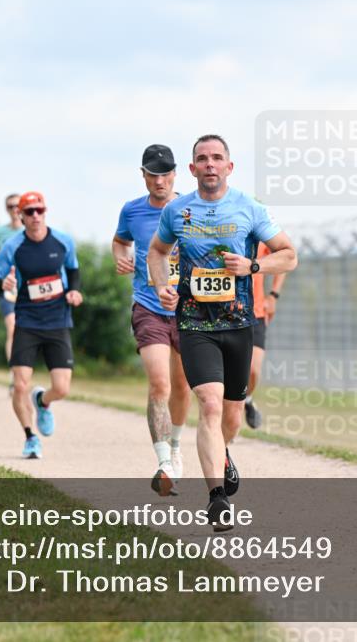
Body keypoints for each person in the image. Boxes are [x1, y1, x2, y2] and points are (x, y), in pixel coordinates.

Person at [148, 134, 297, 531]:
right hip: (195, 323)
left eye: (217, 158)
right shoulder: (177, 211)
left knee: (230, 412)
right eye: (202, 159)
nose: (210, 164)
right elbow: (158, 251)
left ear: (229, 167)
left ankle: (223, 454)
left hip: (239, 324)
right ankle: (217, 498)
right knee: (209, 405)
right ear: (192, 169)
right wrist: (162, 286)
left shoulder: (250, 208)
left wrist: (252, 267)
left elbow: (289, 254)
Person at [113, 144, 191, 496]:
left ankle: (175, 443)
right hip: (148, 306)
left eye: (165, 173)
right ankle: (163, 461)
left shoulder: (191, 209)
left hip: (188, 309)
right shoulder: (132, 211)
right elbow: (119, 241)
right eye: (152, 174)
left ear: (175, 174)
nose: (159, 180)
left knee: (183, 385)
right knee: (160, 384)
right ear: (143, 175)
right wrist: (122, 257)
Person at [0, 192, 82, 459]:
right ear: (20, 215)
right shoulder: (12, 246)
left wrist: (74, 292)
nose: (35, 216)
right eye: (29, 212)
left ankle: (43, 401)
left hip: (57, 320)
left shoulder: (63, 241)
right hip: (27, 320)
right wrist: (2, 284)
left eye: (39, 210)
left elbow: (73, 271)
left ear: (46, 211)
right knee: (20, 385)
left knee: (62, 388)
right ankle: (30, 437)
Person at [245, 241, 288, 428]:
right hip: (225, 315)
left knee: (253, 370)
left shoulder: (260, 233)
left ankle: (247, 400)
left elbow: (284, 259)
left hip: (256, 313)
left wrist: (273, 295)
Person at [0, 193, 24, 393]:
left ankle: (23, 370)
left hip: (28, 285)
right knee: (12, 327)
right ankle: (14, 374)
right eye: (10, 206)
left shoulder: (31, 230)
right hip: (8, 286)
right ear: (6, 209)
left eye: (18, 206)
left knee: (25, 328)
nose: (14, 209)